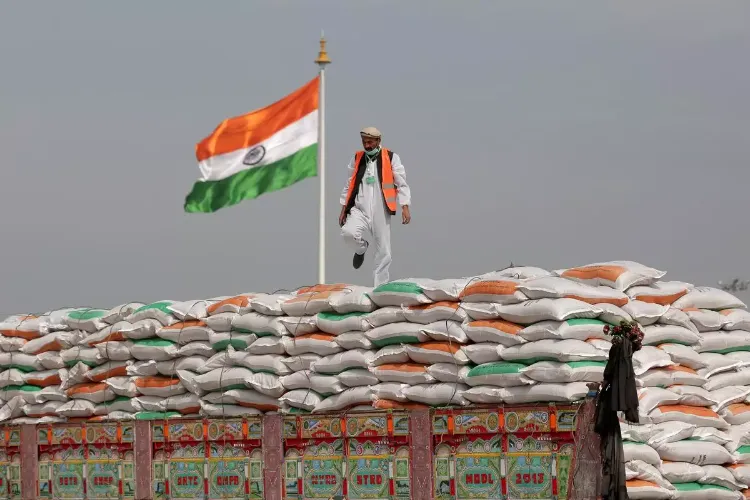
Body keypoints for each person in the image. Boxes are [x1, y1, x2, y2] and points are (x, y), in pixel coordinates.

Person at [339, 127, 411, 286]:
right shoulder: (357, 158)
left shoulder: (391, 157)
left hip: (381, 208)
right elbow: (349, 184)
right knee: (347, 233)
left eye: (370, 142)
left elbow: (401, 183)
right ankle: (361, 249)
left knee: (383, 250)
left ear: (378, 141)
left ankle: (380, 286)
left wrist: (405, 205)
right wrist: (344, 208)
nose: (367, 145)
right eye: (364, 142)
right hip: (359, 207)